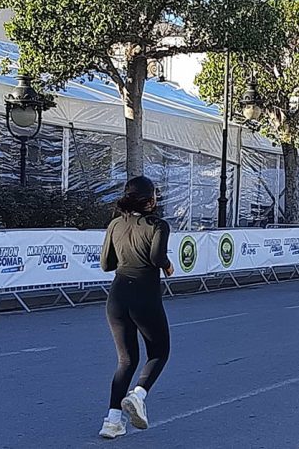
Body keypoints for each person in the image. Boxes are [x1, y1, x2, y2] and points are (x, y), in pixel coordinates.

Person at [99, 176, 174, 439]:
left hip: (117, 297)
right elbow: (155, 257)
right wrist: (166, 265)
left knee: (126, 360)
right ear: (150, 199)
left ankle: (111, 421)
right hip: (145, 295)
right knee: (159, 351)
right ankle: (139, 396)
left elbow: (106, 265)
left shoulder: (115, 225)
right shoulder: (159, 226)